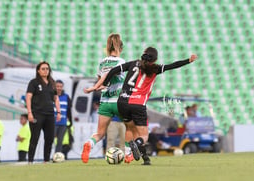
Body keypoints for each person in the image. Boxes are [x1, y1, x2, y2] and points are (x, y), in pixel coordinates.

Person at [101, 47, 197, 165]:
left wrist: (105, 84)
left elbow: (113, 71)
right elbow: (173, 65)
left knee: (130, 128)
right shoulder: (155, 68)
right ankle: (134, 146)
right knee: (144, 135)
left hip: (122, 102)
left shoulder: (133, 63)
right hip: (138, 104)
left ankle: (142, 158)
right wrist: (188, 60)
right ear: (155, 59)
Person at [81, 33, 125, 163]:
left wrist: (95, 87)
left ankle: (89, 143)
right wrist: (94, 88)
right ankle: (128, 153)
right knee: (132, 127)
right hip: (118, 100)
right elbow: (109, 77)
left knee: (100, 133)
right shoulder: (121, 62)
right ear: (120, 48)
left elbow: (102, 83)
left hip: (105, 101)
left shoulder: (102, 63)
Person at [26, 61, 61, 163]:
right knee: (34, 138)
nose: (45, 71)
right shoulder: (34, 82)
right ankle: (30, 161)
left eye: (47, 69)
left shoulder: (52, 83)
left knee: (49, 139)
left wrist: (58, 112)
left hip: (50, 114)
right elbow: (28, 97)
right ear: (38, 70)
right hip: (37, 113)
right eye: (43, 69)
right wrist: (29, 112)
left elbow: (56, 98)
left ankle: (46, 161)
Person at [54, 80, 72, 153]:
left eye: (60, 86)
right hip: (52, 123)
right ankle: (47, 157)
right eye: (57, 86)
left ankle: (57, 156)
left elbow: (69, 111)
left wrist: (71, 122)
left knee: (60, 141)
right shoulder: (52, 96)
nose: (59, 88)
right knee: (49, 140)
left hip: (63, 123)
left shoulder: (66, 97)